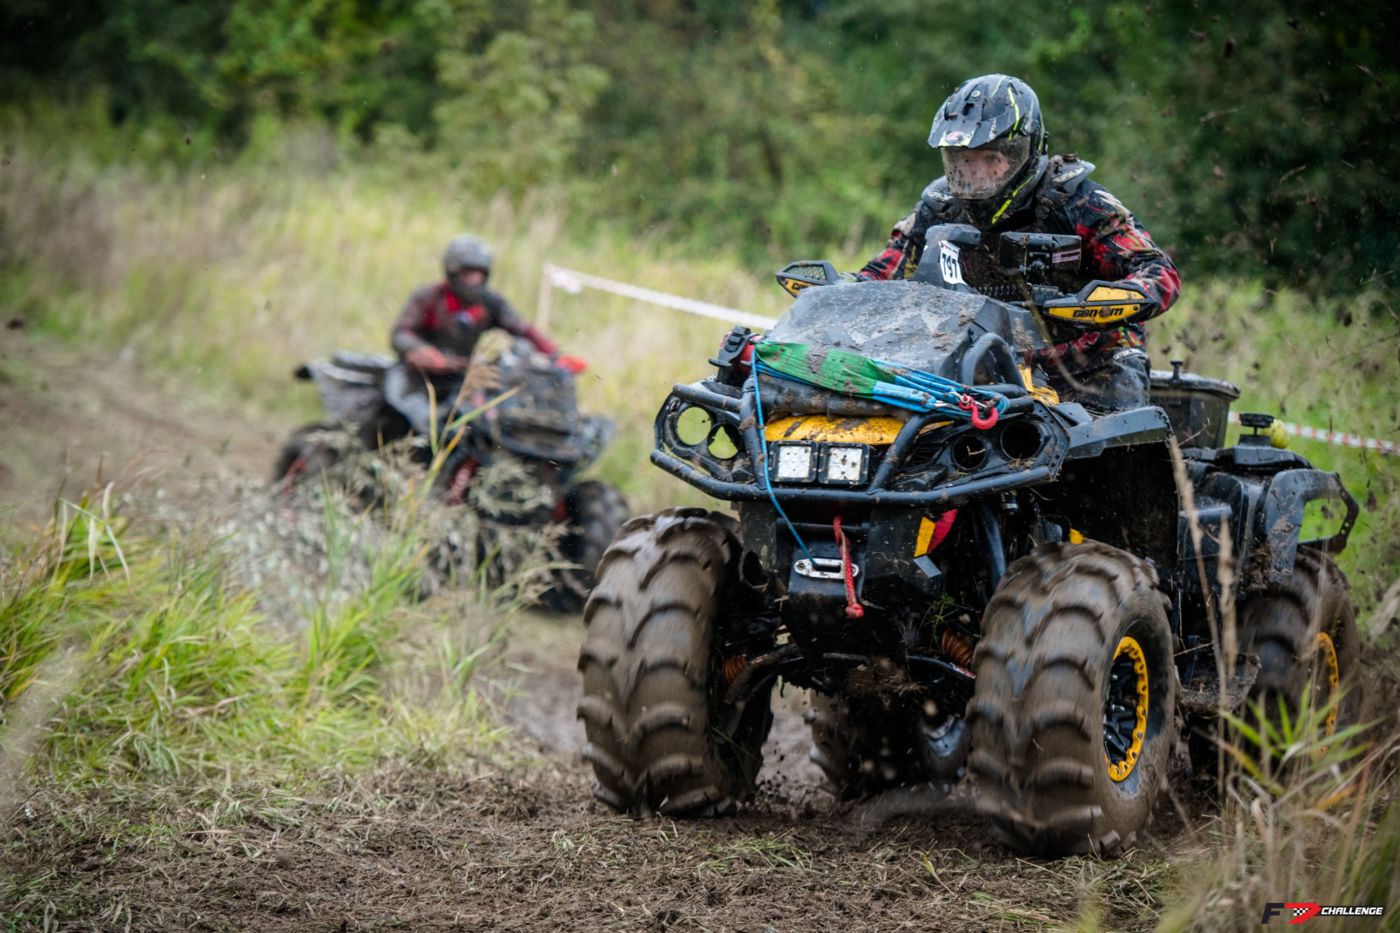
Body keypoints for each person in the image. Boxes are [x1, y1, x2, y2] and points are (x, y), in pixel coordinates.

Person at [856, 74, 1181, 411]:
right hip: (982, 361)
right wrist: (841, 291)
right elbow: (882, 273)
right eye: (963, 160)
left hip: (1087, 363)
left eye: (990, 160)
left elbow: (1159, 272)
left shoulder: (1079, 201)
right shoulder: (939, 207)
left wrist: (1094, 305)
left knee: (1111, 433)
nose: (975, 175)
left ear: (1021, 153)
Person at [386, 234, 574, 435]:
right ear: (453, 272)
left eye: (478, 274)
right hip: (416, 374)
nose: (473, 280)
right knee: (418, 415)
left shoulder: (490, 302)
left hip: (461, 375)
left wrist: (556, 356)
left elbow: (522, 329)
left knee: (484, 420)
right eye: (467, 274)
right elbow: (401, 334)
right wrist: (425, 352)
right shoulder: (429, 296)